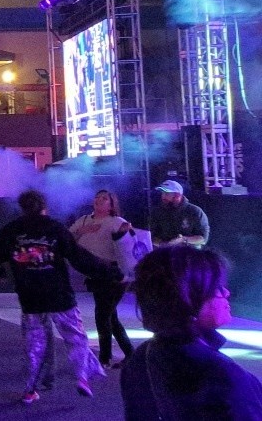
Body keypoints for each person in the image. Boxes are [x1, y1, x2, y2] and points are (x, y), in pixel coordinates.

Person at [0, 190, 120, 405]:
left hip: (30, 296)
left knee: (34, 345)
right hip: (59, 294)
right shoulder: (55, 228)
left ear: (22, 207)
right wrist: (111, 272)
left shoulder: (12, 230)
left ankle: (30, 390)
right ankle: (82, 377)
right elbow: (79, 258)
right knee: (76, 338)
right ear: (44, 207)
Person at [123, 246, 262, 419]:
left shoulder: (141, 357)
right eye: (217, 287)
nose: (226, 292)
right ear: (186, 299)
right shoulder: (223, 375)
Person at [68, 189, 134, 368]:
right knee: (109, 316)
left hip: (114, 274)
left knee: (102, 315)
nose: (99, 200)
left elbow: (129, 249)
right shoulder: (83, 220)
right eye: (97, 197)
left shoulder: (117, 222)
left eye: (104, 198)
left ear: (112, 204)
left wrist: (124, 234)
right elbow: (66, 238)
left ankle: (104, 358)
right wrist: (82, 230)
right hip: (95, 273)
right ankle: (130, 355)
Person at [149, 180, 209, 247]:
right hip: (165, 252)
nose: (163, 196)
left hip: (189, 253)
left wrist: (183, 239)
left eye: (166, 193)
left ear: (177, 195)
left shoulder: (195, 211)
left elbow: (203, 239)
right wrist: (163, 244)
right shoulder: (157, 211)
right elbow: (151, 236)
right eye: (162, 193)